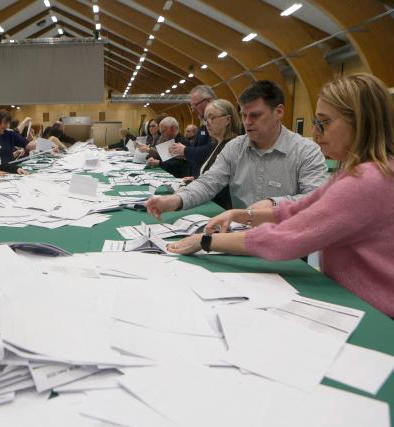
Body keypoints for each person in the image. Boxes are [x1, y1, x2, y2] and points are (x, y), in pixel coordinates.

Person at [168, 73, 394, 317]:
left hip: (374, 312)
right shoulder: (360, 171)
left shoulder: (365, 180)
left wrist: (205, 242)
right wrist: (242, 214)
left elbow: (288, 237)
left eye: (324, 123)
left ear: (359, 121)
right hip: (356, 299)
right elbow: (299, 208)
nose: (316, 133)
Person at [146, 80, 328, 218]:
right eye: (243, 115)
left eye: (255, 115)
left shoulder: (306, 151)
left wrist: (274, 203)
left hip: (288, 241)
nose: (247, 122)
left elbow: (315, 198)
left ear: (279, 112)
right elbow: (209, 182)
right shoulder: (234, 147)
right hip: (240, 236)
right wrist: (177, 200)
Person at [183, 99, 243, 209]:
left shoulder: (232, 146)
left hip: (222, 209)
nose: (207, 123)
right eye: (206, 119)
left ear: (228, 120)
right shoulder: (216, 144)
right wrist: (197, 178)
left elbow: (225, 182)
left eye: (212, 117)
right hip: (211, 205)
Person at [168, 85, 216, 177]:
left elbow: (213, 150)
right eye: (191, 105)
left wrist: (185, 151)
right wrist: (184, 155)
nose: (193, 109)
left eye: (195, 105)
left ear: (209, 101)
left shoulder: (217, 123)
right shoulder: (203, 124)